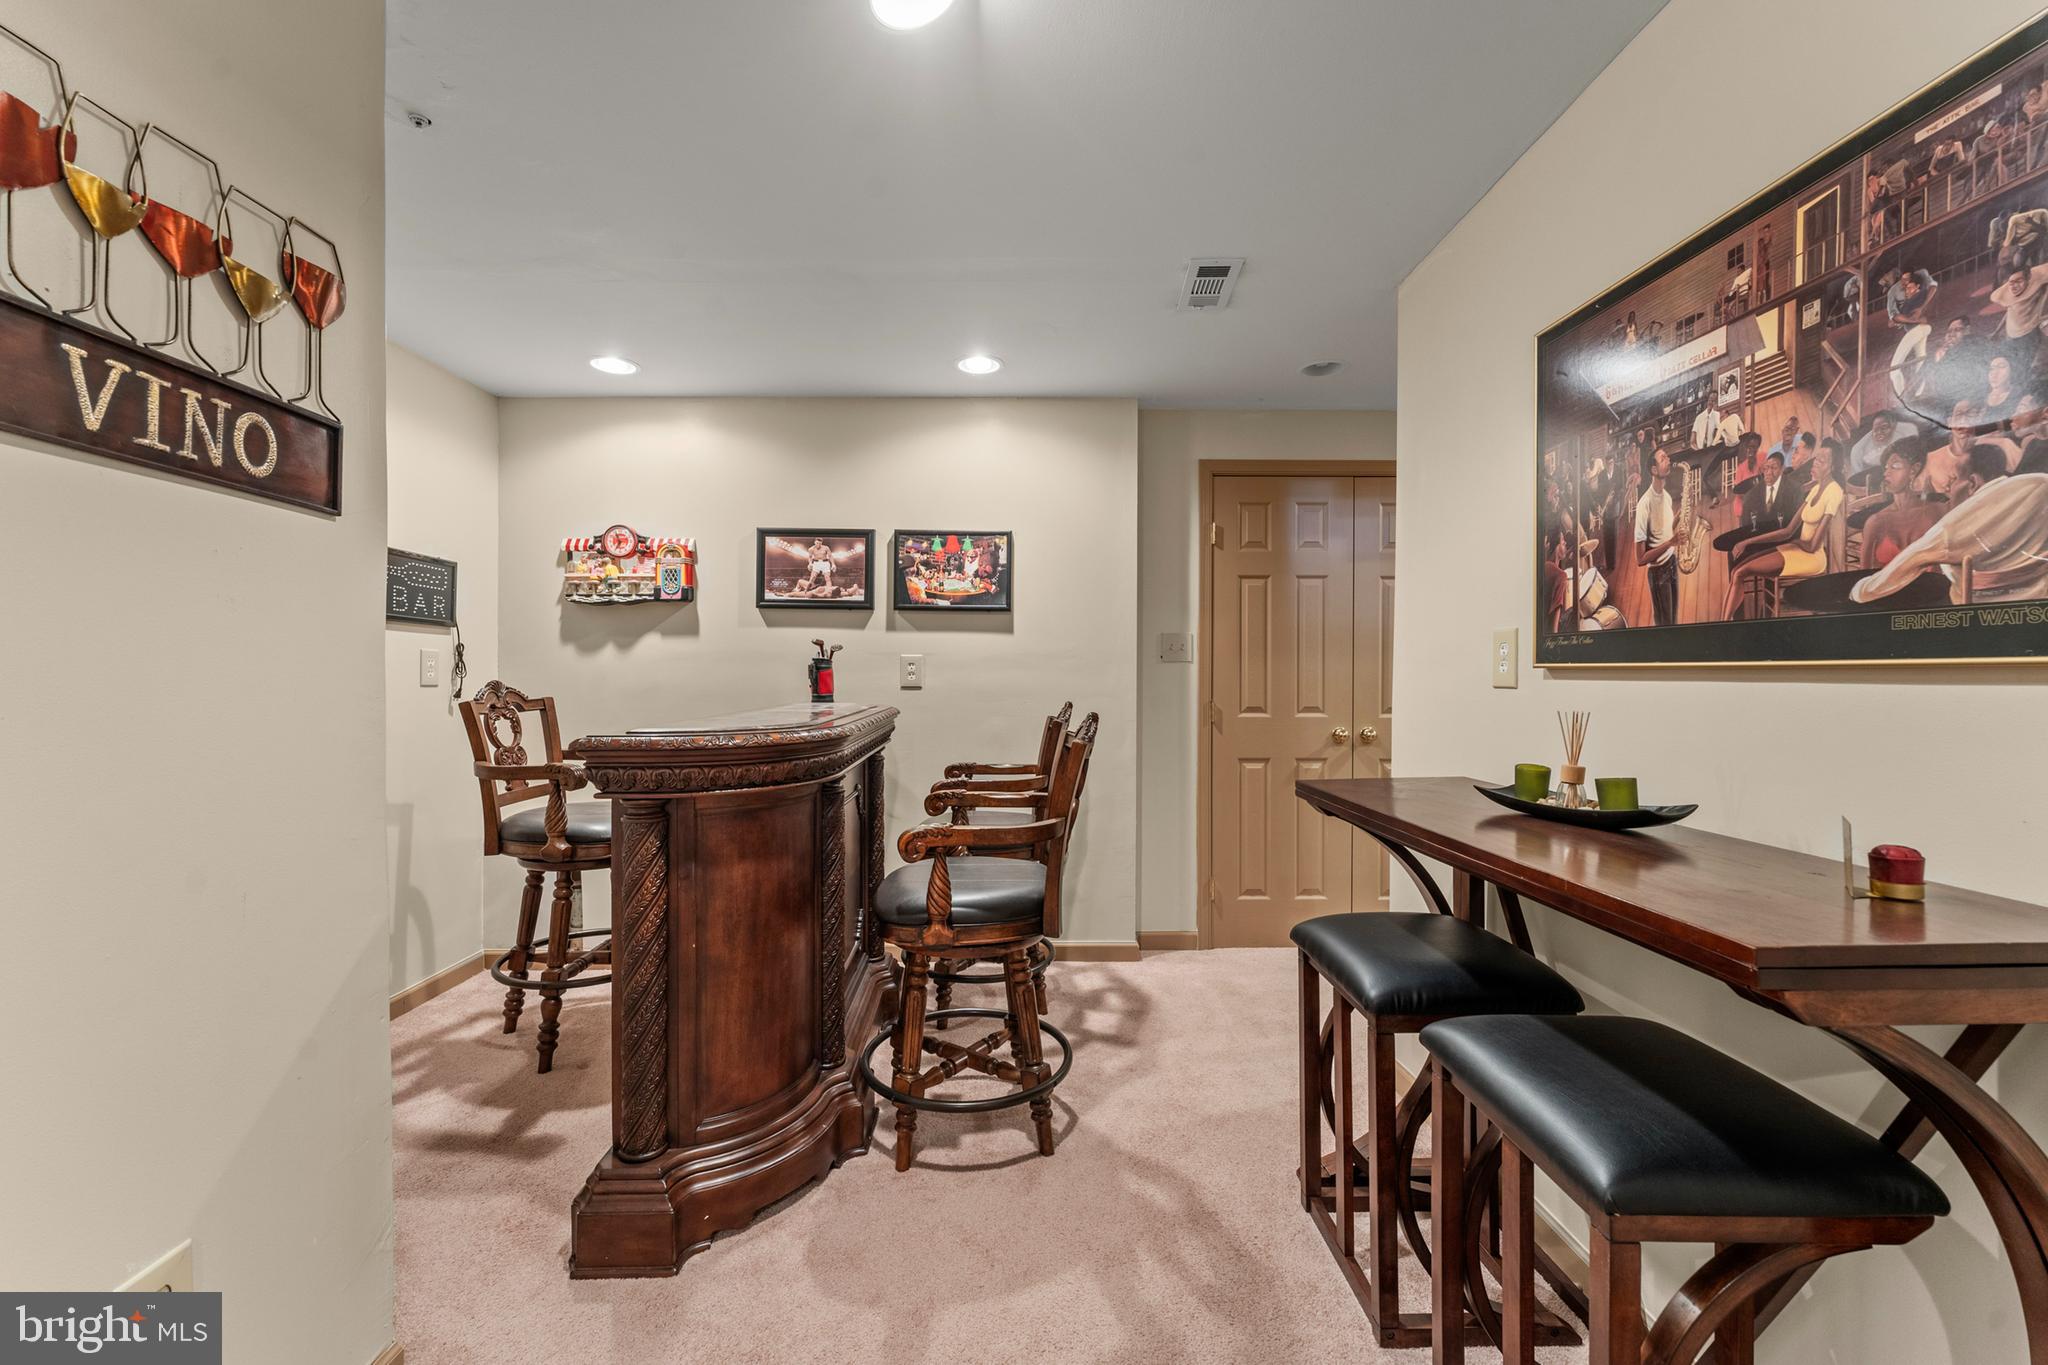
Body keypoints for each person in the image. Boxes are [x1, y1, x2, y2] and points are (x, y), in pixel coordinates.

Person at [1852, 446, 2048, 605]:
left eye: (1954, 479)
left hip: (1973, 609)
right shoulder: (2040, 484)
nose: (1948, 488)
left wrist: (1857, 593)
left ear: (1972, 483)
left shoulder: (1954, 526)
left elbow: (1909, 561)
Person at [1723, 439, 1847, 618]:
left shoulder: (1834, 492)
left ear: (1833, 466)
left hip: (1812, 558)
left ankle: (1725, 625)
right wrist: (1746, 542)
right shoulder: (1816, 488)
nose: (1814, 463)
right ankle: (1725, 622)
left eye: (1821, 460)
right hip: (1797, 549)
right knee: (1736, 571)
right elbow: (1788, 531)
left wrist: (1794, 542)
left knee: (1740, 573)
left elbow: (1813, 546)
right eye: (1816, 458)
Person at [1857, 441, 1944, 569]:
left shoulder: (1936, 512)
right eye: (1886, 468)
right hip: (1885, 588)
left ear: (1913, 470)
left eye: (1895, 466)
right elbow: (1863, 575)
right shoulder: (1875, 521)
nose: (1886, 473)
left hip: (1928, 587)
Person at [1634, 447, 1680, 627]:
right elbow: (1640, 559)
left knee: (1673, 622)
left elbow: (1665, 529)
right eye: (1663, 459)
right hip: (1659, 573)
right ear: (1654, 470)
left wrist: (1680, 516)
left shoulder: (1666, 497)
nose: (1668, 460)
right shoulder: (1644, 504)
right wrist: (1671, 543)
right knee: (1665, 626)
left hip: (1672, 564)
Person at [1849, 411, 1920, 484]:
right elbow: (1857, 480)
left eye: (1884, 427)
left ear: (1893, 428)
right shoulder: (1858, 450)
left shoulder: (1907, 432)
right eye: (1876, 430)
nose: (1879, 432)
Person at [1740, 449, 1801, 531]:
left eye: (1774, 468)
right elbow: (1744, 527)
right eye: (1767, 467)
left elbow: (1796, 524)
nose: (1769, 472)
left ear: (1782, 469)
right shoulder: (1750, 496)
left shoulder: (1795, 489)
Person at [1984, 353, 2023, 423]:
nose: (1994, 373)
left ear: (2012, 370)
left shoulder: (2020, 397)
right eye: (1991, 369)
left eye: (2001, 367)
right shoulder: (1981, 399)